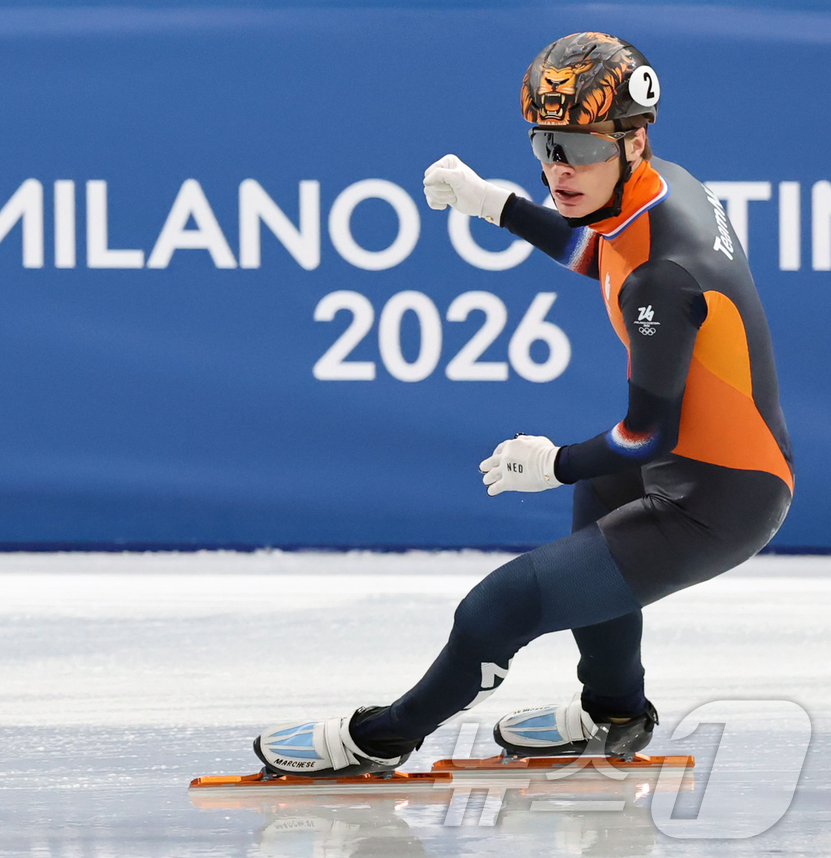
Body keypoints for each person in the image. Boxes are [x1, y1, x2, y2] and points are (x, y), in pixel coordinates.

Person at [254, 32, 793, 777]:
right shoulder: (658, 187)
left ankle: (381, 739)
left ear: (632, 143)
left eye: (577, 146)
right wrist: (495, 205)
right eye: (543, 142)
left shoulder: (666, 278)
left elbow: (644, 434)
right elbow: (600, 249)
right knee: (602, 519)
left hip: (720, 497)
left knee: (498, 607)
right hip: (697, 458)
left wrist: (554, 463)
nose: (556, 168)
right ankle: (615, 710)